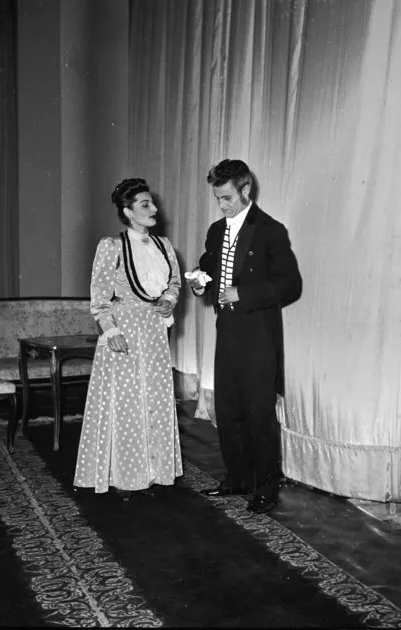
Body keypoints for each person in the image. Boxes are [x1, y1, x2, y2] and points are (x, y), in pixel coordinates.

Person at [186, 159, 302, 514]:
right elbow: (208, 267)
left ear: (245, 188)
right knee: (229, 408)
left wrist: (246, 295)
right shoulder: (216, 231)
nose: (221, 205)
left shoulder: (270, 230)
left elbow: (290, 284)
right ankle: (238, 479)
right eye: (217, 199)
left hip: (259, 336)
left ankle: (266, 488)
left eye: (226, 198)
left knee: (259, 413)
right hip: (228, 333)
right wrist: (198, 283)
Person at [74, 178, 183, 499]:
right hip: (123, 332)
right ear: (128, 211)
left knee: (154, 400)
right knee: (125, 404)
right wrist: (110, 332)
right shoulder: (111, 246)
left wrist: (169, 300)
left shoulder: (165, 246)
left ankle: (153, 474)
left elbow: (174, 282)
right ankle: (124, 475)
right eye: (145, 204)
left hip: (154, 333)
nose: (154, 209)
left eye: (153, 203)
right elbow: (99, 298)